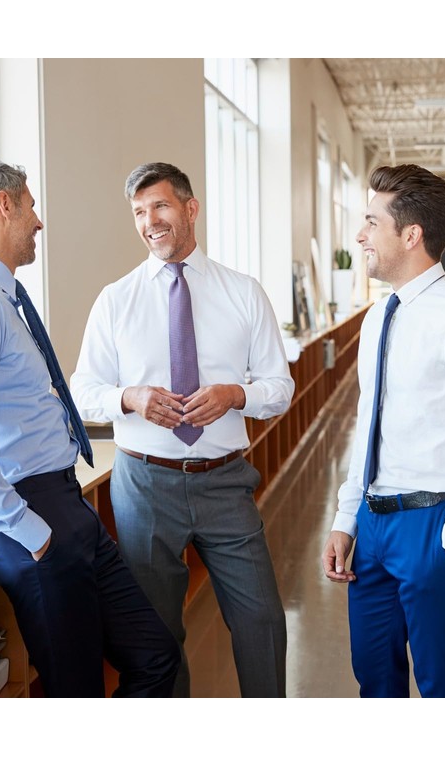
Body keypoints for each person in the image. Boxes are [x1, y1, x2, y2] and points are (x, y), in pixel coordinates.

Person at [0, 155, 180, 698]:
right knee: (74, 692)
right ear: (4, 204)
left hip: (65, 502)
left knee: (156, 656)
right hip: (31, 516)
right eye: (32, 205)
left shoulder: (1, 298)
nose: (38, 220)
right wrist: (32, 533)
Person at [71, 162, 292, 697]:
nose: (151, 221)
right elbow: (83, 389)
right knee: (158, 636)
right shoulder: (115, 299)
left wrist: (235, 395)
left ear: (191, 209)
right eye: (140, 212)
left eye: (161, 206)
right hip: (144, 487)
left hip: (225, 481)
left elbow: (278, 387)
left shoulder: (243, 292)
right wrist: (130, 397)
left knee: (262, 619)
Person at [321, 163, 445, 698]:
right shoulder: (378, 317)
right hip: (373, 527)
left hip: (433, 523)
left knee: (443, 686)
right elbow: (368, 426)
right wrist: (346, 517)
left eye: (370, 221)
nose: (360, 234)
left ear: (411, 235)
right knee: (374, 681)